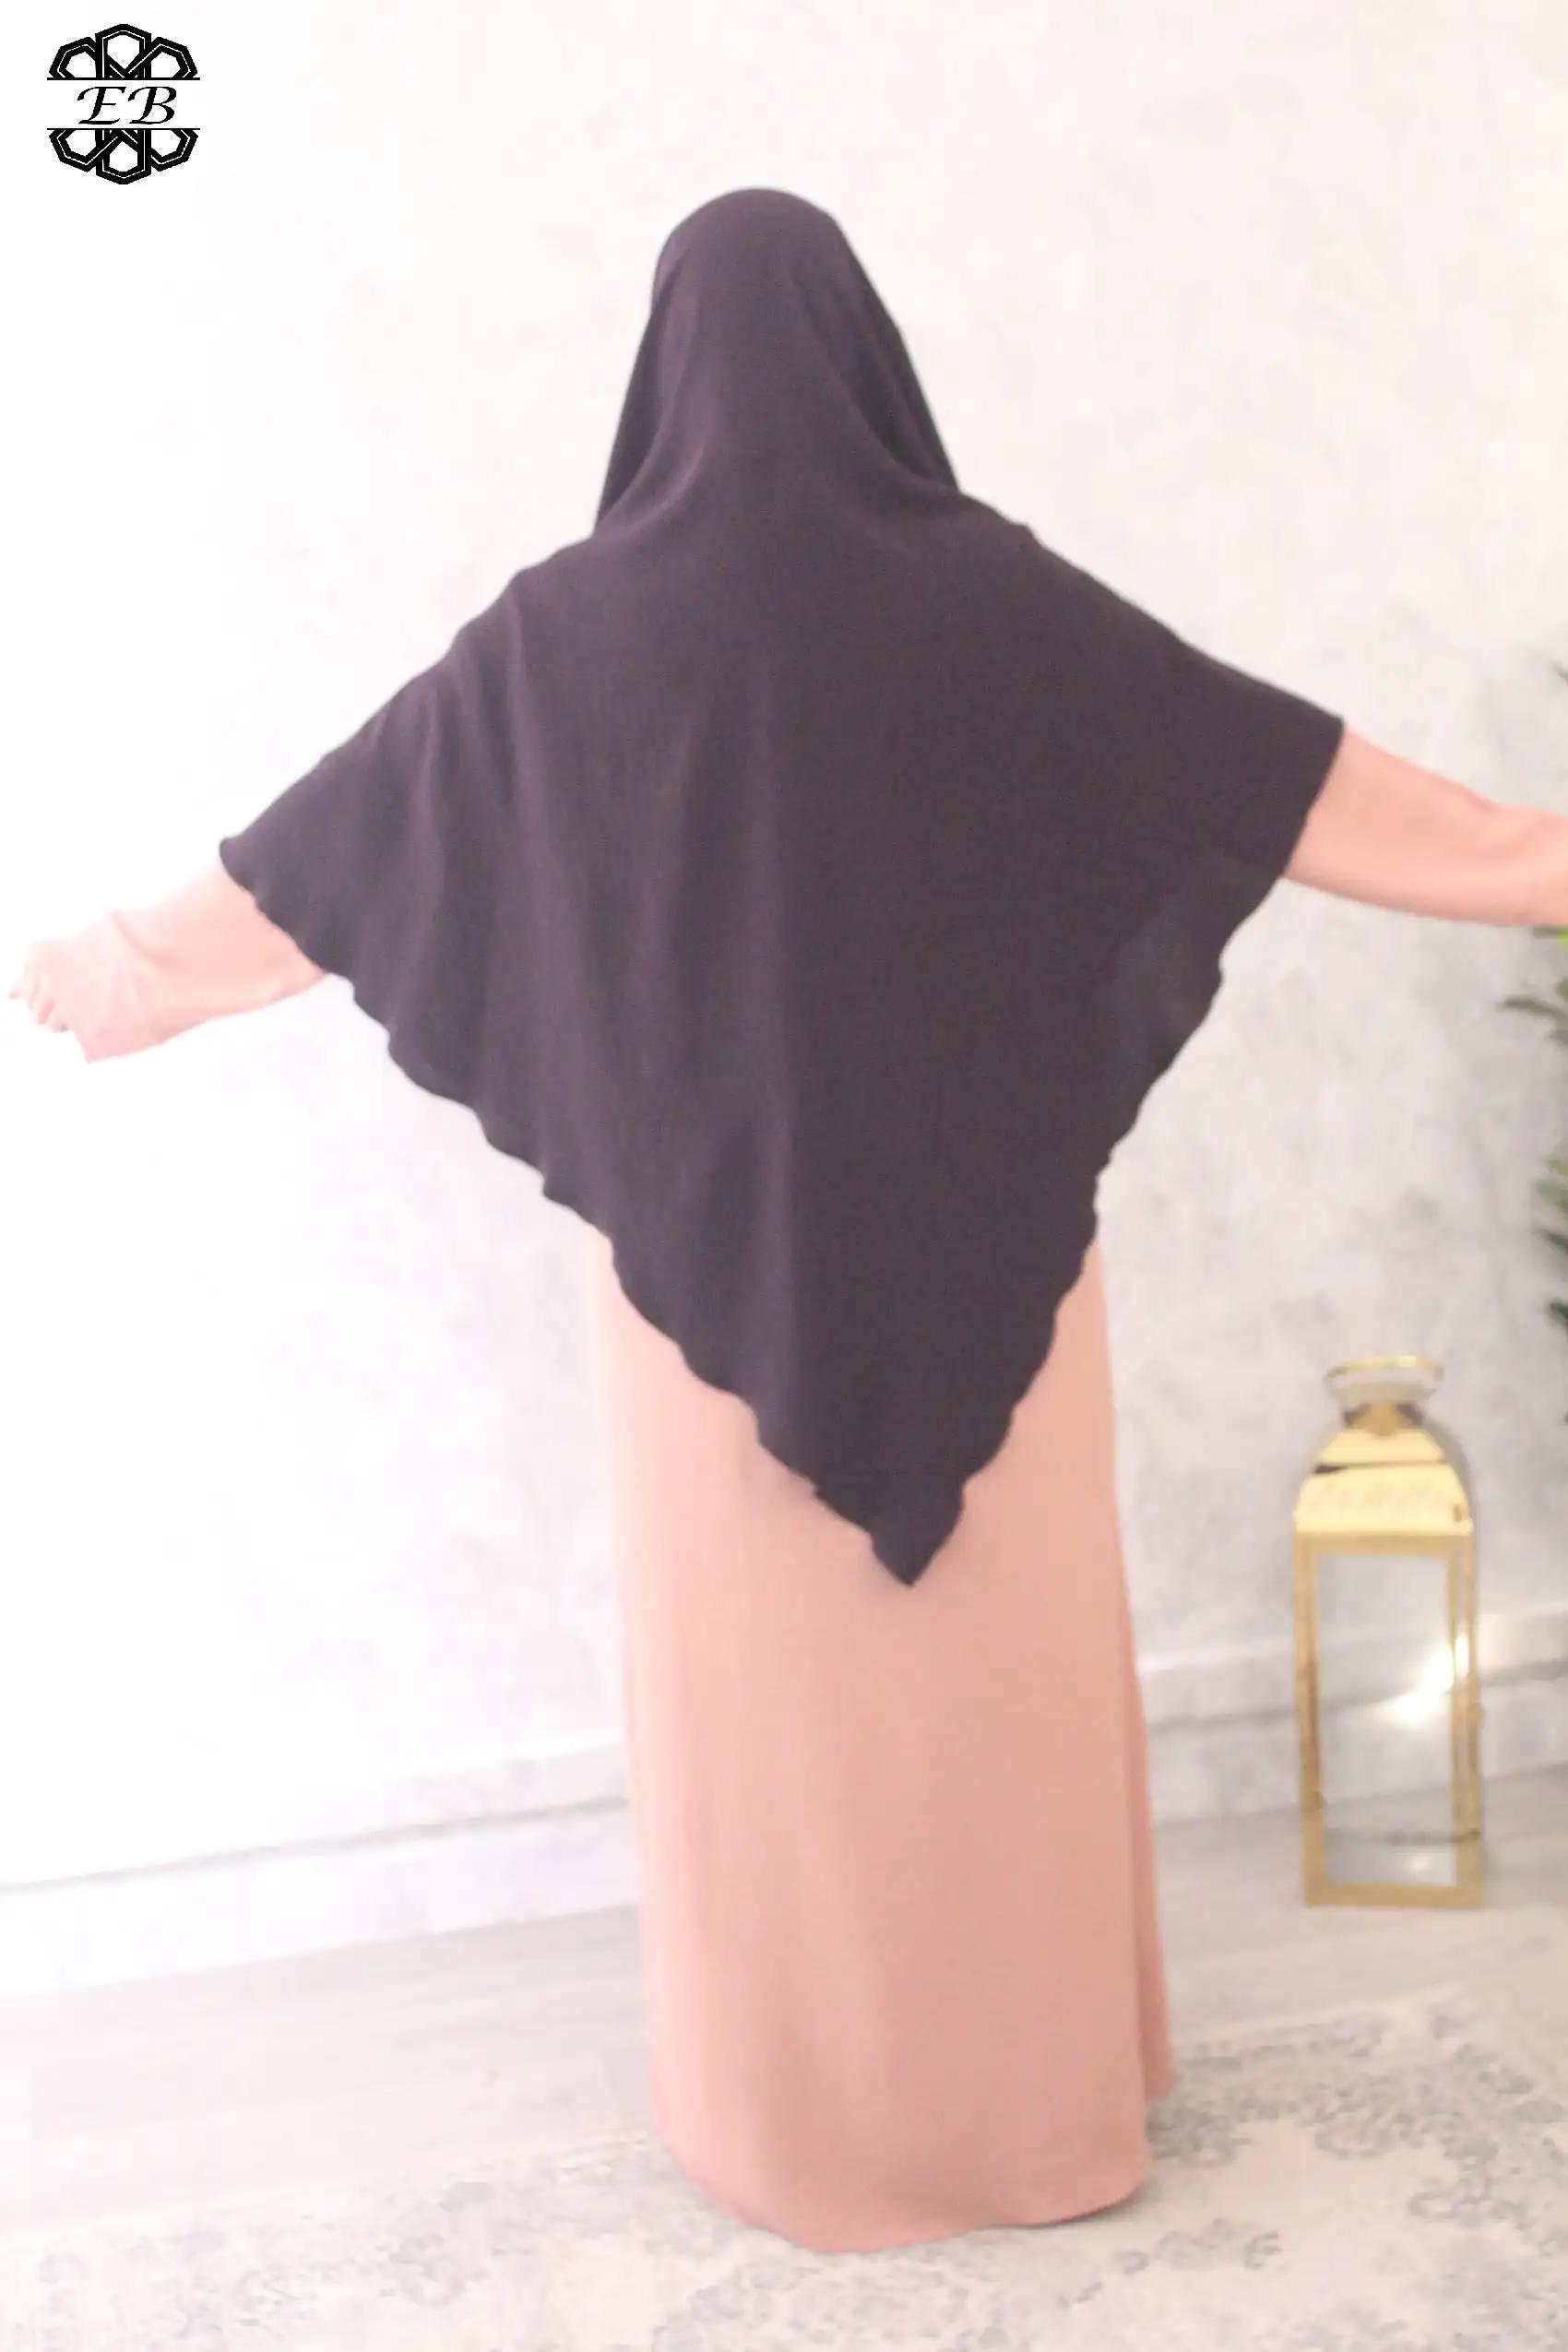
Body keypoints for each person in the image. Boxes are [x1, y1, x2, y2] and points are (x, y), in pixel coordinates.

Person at [10, 187, 1568, 2256]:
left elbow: (325, 853)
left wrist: (102, 971)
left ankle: (797, 2130)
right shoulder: (999, 599)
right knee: (991, 1693)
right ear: (865, 360)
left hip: (702, 1290)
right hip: (1000, 1258)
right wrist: (1537, 857)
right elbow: (1282, 771)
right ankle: (1034, 2115)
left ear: (665, 372)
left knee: (773, 1729)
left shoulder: (561, 636)